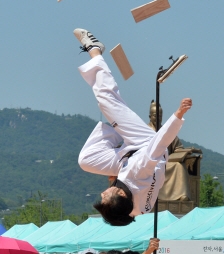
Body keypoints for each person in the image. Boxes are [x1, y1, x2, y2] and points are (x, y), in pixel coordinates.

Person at [74, 28, 192, 226]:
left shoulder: (133, 209)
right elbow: (160, 143)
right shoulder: (139, 172)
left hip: (127, 162)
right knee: (107, 101)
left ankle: (114, 130)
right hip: (144, 144)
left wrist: (116, 183)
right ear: (121, 193)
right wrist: (178, 115)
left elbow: (127, 216)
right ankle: (94, 50)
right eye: (106, 196)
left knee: (86, 161)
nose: (103, 193)